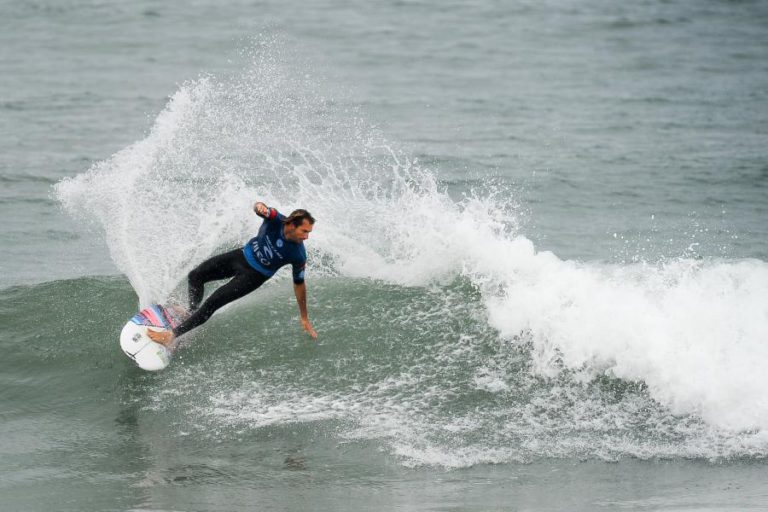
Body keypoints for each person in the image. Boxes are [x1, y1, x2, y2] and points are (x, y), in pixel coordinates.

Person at [146, 202, 317, 345]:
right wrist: (259, 208)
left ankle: (171, 336)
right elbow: (261, 208)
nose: (307, 237)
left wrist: (304, 317)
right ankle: (191, 313)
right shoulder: (276, 220)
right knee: (195, 276)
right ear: (291, 224)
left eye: (308, 232)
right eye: (305, 231)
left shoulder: (298, 254)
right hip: (241, 257)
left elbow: (299, 284)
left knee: (212, 303)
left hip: (253, 276)